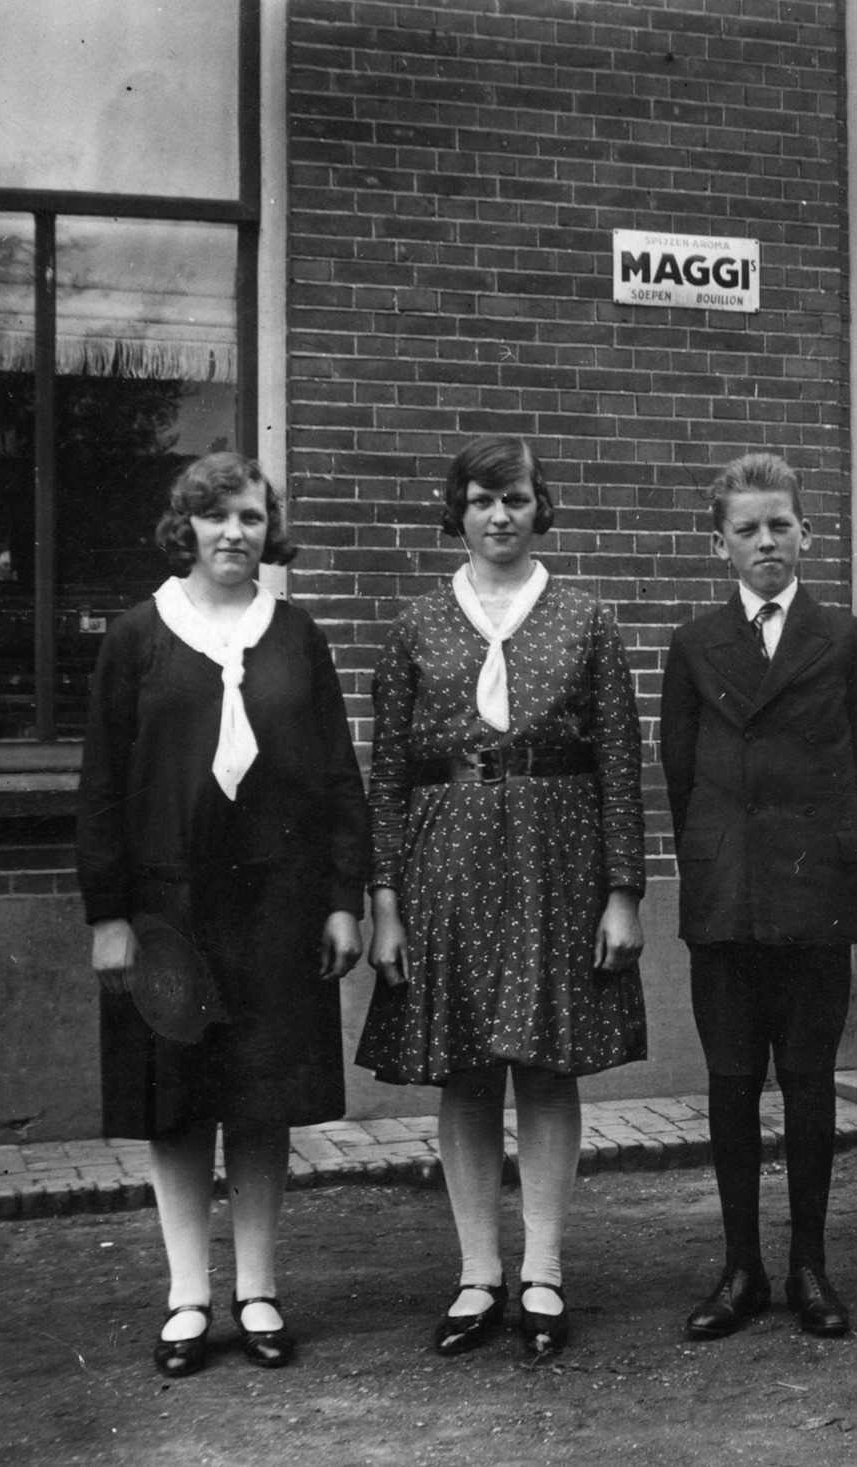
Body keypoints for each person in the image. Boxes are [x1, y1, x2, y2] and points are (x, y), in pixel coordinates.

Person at [77, 452, 367, 1377]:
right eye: (216, 517)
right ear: (187, 527)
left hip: (277, 902)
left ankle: (258, 1288)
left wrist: (342, 899)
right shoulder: (138, 636)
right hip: (168, 903)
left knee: (259, 1100)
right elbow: (101, 784)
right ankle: (187, 1296)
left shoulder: (296, 635)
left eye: (250, 516)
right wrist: (109, 913)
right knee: (176, 1105)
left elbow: (337, 778)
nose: (234, 533)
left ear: (268, 529)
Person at [358, 435, 647, 1359]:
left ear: (539, 508)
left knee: (548, 1066)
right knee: (468, 1069)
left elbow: (620, 764)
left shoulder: (586, 618)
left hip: (557, 861)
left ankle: (544, 1269)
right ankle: (478, 1271)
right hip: (447, 861)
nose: (498, 515)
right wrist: (385, 901)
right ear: (458, 510)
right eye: (482, 499)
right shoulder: (417, 624)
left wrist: (623, 892)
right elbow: (388, 773)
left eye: (515, 498)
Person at [661, 452, 857, 1340]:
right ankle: (741, 1267)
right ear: (719, 543)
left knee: (809, 1081)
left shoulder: (845, 638)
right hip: (727, 893)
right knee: (730, 1082)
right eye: (747, 529)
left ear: (807, 534)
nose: (766, 542)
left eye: (780, 526)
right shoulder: (694, 644)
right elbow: (681, 773)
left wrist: (841, 855)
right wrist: (717, 854)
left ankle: (810, 1266)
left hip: (812, 888)